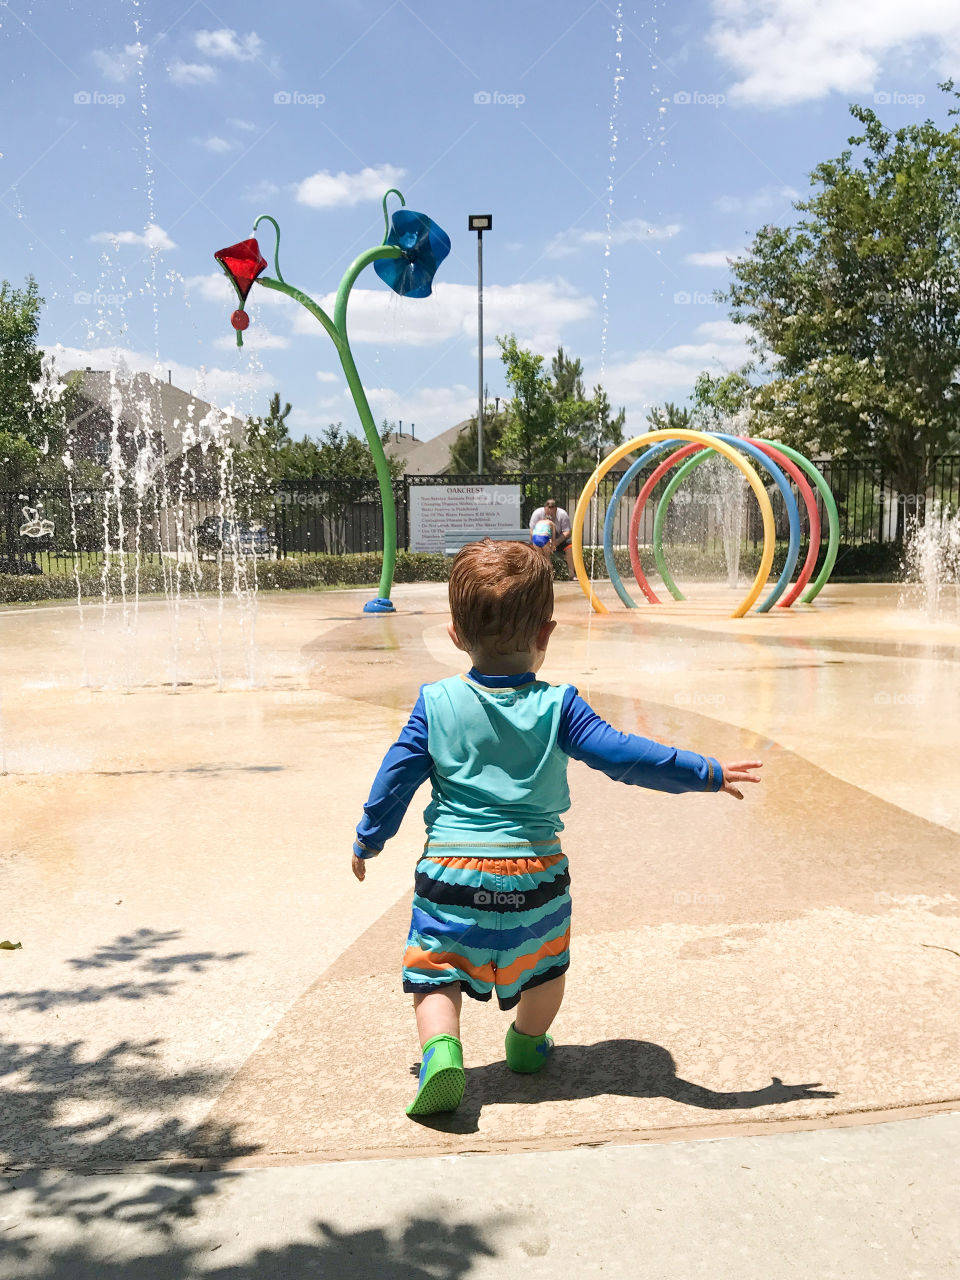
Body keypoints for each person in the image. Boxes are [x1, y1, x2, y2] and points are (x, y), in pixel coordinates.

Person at [351, 540, 761, 1117]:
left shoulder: (435, 703)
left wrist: (370, 836)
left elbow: (395, 777)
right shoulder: (560, 706)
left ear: (454, 635)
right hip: (535, 875)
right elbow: (626, 756)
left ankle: (443, 1051)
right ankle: (526, 1042)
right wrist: (706, 772)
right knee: (545, 965)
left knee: (434, 968)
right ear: (546, 634)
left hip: (451, 873)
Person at [528, 497, 574, 576]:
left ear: (556, 510)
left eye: (552, 513)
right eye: (548, 513)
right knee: (544, 555)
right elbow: (532, 531)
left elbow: (568, 532)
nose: (550, 515)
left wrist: (555, 543)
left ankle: (571, 574)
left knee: (569, 546)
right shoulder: (538, 514)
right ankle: (544, 575)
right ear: (544, 509)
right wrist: (549, 544)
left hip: (557, 539)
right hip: (543, 539)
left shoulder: (562, 514)